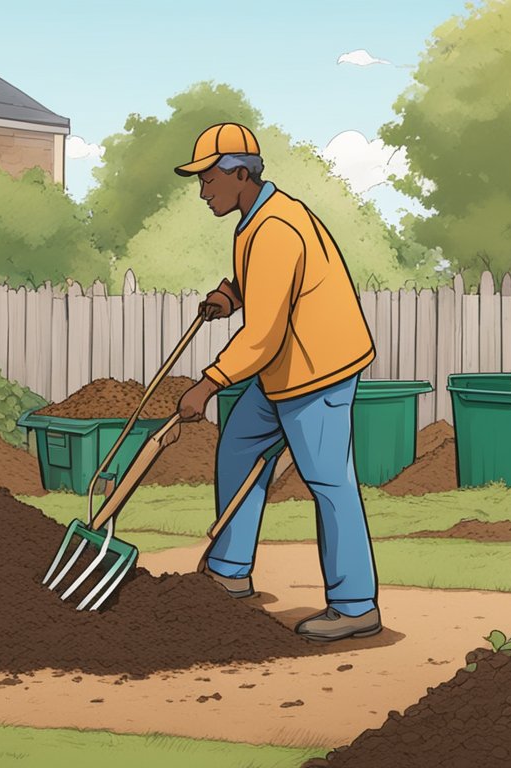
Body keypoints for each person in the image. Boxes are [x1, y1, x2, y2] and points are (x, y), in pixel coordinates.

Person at [163, 122, 381, 641]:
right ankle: (230, 573)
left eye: (209, 179)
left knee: (328, 480)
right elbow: (268, 290)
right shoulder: (255, 220)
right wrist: (232, 296)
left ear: (240, 173)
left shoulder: (277, 228)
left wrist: (208, 384)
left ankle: (355, 606)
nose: (202, 191)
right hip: (282, 368)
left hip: (317, 369)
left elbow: (262, 334)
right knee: (238, 451)